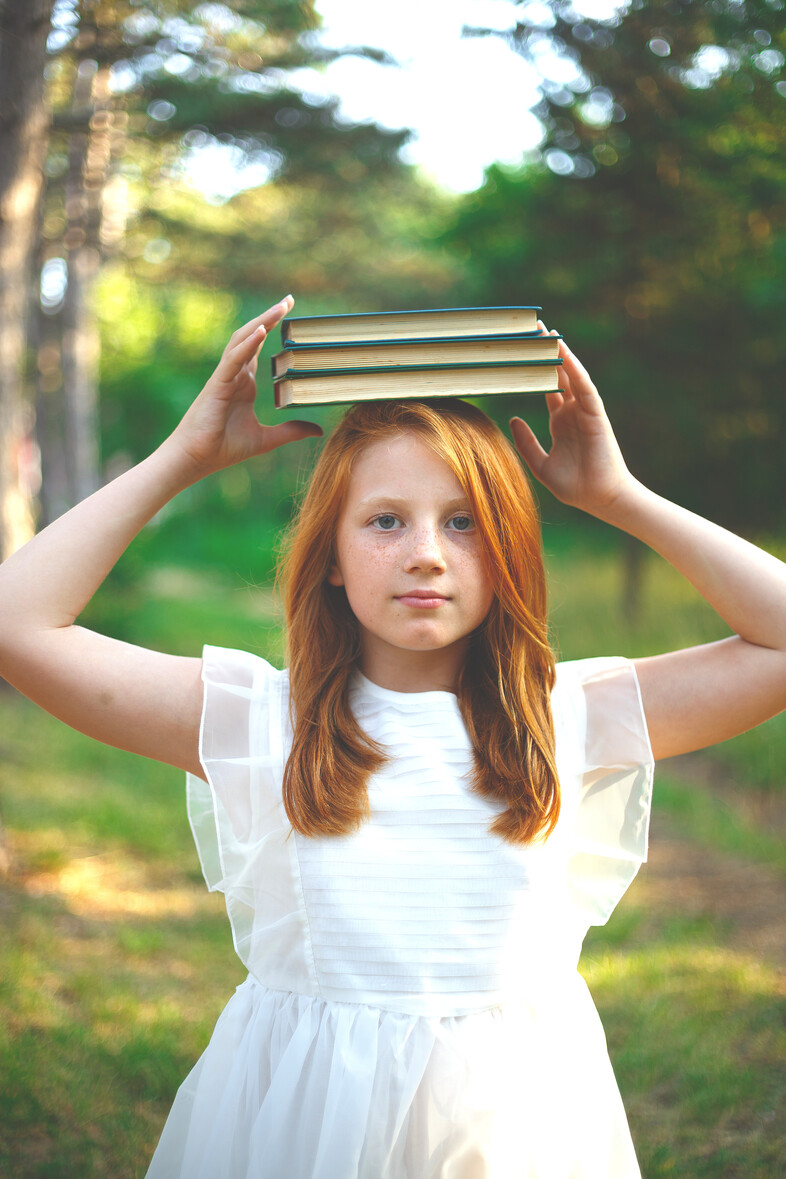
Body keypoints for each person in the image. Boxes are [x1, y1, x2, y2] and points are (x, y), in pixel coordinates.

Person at [0, 294, 784, 1179]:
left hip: (517, 1130)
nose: (426, 553)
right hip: (304, 1128)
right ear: (329, 555)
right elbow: (18, 623)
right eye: (385, 520)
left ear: (509, 550)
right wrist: (183, 459)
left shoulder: (568, 713)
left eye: (464, 522)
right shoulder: (261, 720)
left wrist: (619, 495)